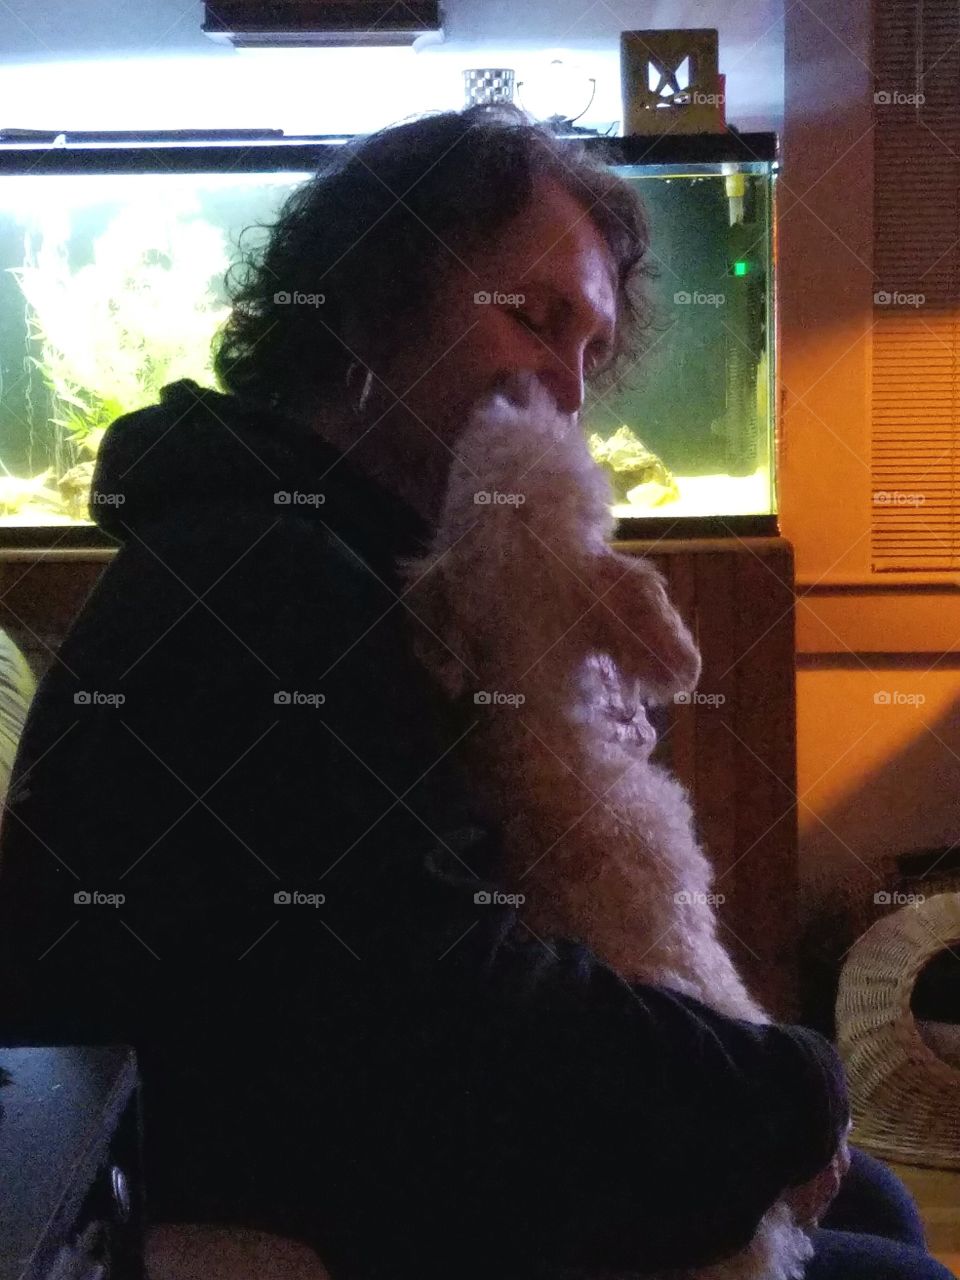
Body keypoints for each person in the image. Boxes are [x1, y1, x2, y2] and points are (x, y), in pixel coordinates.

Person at [0, 105, 950, 1280]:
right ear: (364, 307)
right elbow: (441, 1018)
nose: (568, 388)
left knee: (873, 1199)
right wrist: (789, 1081)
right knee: (888, 1256)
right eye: (534, 319)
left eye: (593, 353)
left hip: (345, 1127)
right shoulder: (271, 583)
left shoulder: (320, 549)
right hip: (266, 1184)